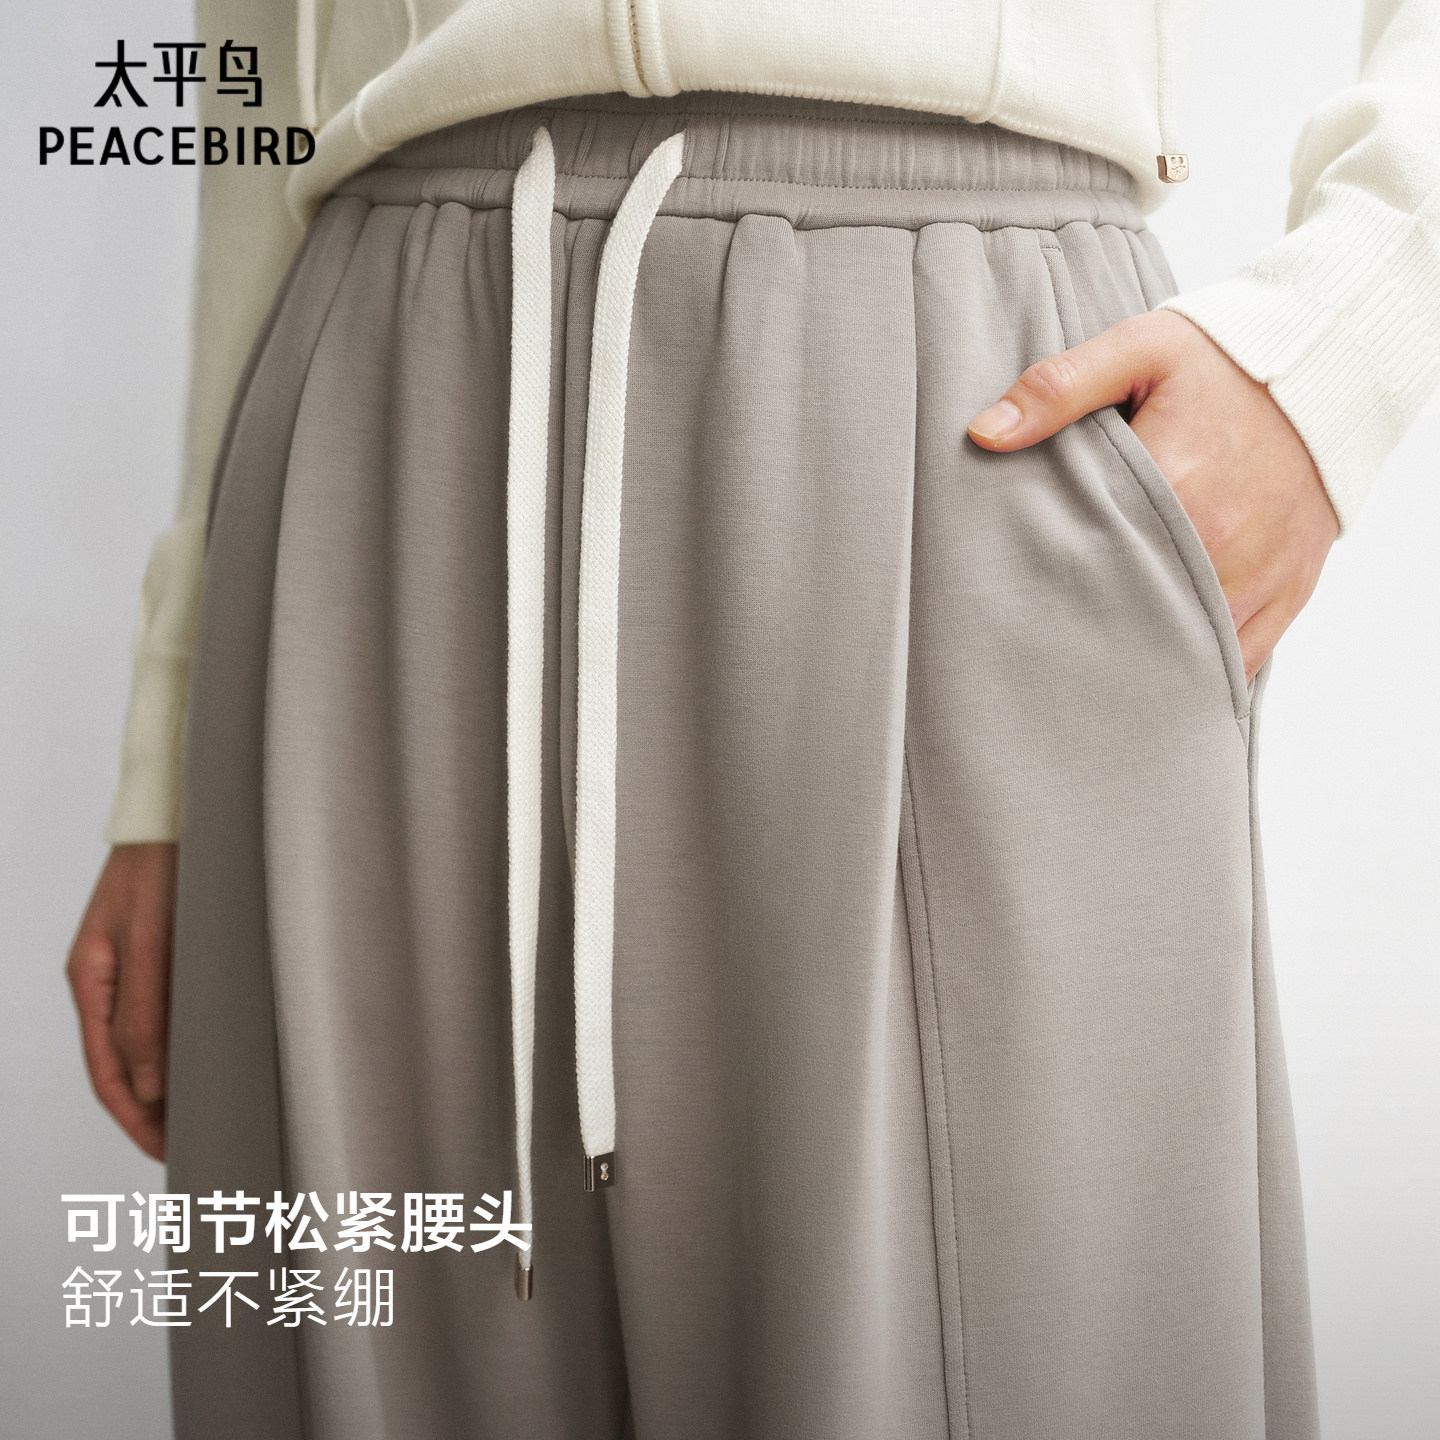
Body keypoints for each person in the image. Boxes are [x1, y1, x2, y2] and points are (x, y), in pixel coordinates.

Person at [66, 2, 1438, 1437]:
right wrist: (172, 731)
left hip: (961, 397)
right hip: (380, 414)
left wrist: (1345, 331)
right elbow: (256, 79)